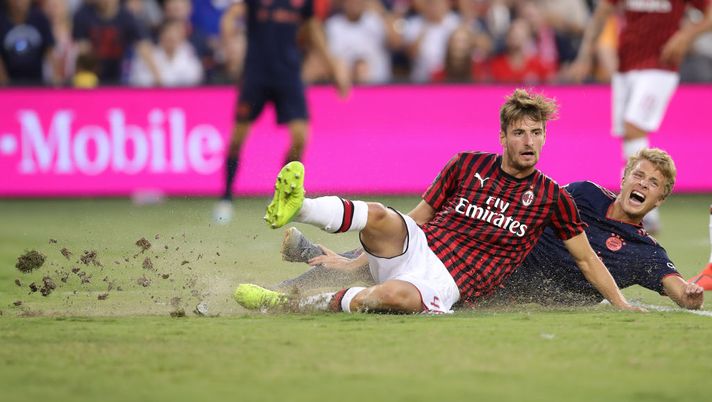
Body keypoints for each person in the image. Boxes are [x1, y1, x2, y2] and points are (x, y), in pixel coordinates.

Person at [234, 89, 641, 314]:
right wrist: (356, 260)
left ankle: (291, 302)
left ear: (544, 138)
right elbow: (417, 218)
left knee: (394, 297)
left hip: (446, 281)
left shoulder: (552, 196)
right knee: (380, 216)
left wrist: (620, 303)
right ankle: (301, 205)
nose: (529, 141)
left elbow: (587, 259)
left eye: (536, 133)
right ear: (503, 136)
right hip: (419, 244)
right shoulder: (465, 165)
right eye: (520, 133)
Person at [276, 148, 704, 310]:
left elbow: (680, 292)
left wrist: (693, 291)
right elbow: (535, 204)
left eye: (654, 184)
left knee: (390, 275)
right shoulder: (584, 194)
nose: (643, 184)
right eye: (639, 175)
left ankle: (313, 261)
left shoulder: (645, 252)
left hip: (499, 286)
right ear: (625, 175)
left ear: (659, 200)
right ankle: (288, 290)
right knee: (374, 259)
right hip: (492, 252)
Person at [569, 0, 712, 233]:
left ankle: (645, 212)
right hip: (626, 64)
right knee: (628, 136)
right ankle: (633, 209)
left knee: (633, 128)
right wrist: (585, 56)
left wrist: (686, 36)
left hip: (660, 65)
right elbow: (603, 12)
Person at [214, 0, 351, 224]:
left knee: (300, 137)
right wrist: (229, 43)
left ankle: (280, 195)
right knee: (237, 138)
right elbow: (232, 15)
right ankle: (226, 198)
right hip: (255, 75)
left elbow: (313, 30)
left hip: (288, 75)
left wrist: (332, 67)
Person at [0, 0, 57, 86]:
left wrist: (55, 81)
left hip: (38, 83)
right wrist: (5, 86)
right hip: (10, 83)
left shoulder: (39, 18)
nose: (18, 2)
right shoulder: (2, 21)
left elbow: (50, 52)